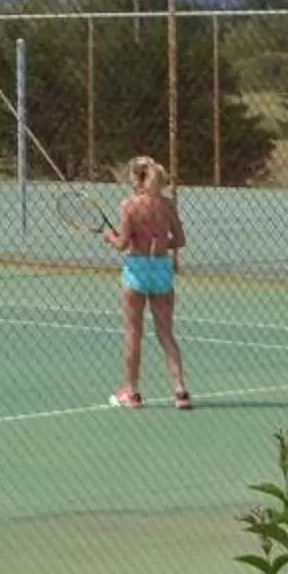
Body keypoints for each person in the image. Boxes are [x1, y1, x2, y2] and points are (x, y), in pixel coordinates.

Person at [102, 155, 189, 410]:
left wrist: (109, 237)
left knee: (133, 331)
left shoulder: (129, 205)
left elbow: (123, 244)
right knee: (166, 333)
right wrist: (161, 243)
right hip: (161, 268)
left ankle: (132, 392)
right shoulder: (167, 205)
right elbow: (180, 240)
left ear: (135, 178)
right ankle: (180, 391)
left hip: (137, 269)